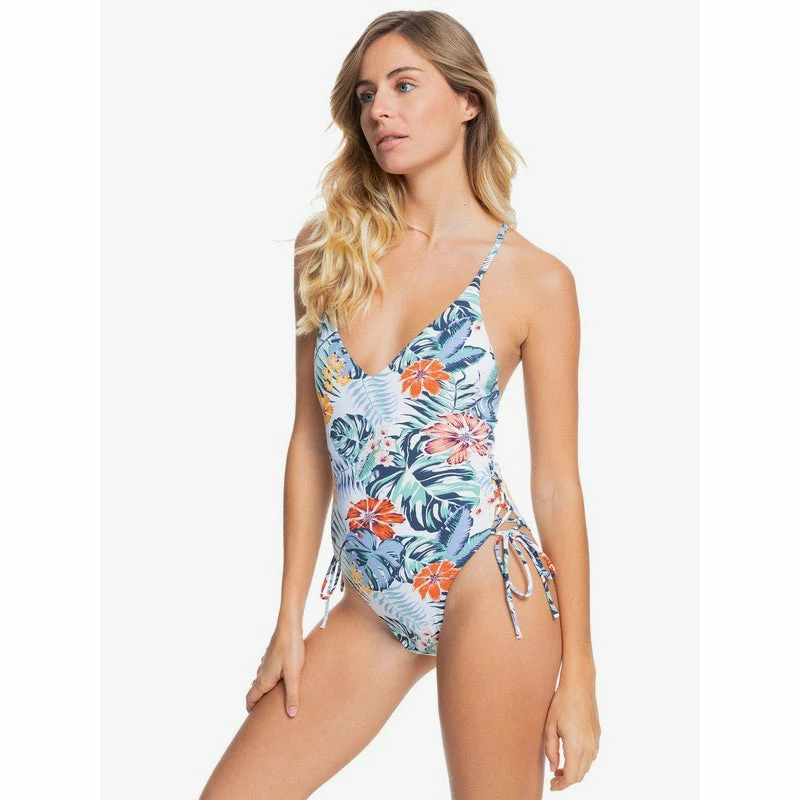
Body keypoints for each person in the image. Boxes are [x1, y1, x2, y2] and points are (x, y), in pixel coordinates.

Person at [199, 9, 600, 799]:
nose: (380, 108)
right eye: (366, 94)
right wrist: (287, 621)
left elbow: (558, 483)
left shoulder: (534, 280)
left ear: (468, 101)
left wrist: (580, 675)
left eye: (405, 86)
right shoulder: (328, 251)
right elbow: (310, 440)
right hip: (370, 597)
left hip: (488, 579)